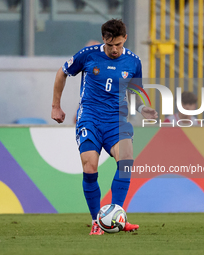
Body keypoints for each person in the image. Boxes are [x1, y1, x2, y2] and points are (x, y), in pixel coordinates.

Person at [51, 19, 157, 235]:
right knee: (90, 167)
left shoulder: (134, 62)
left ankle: (117, 216)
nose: (114, 49)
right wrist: (56, 107)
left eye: (118, 44)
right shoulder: (88, 54)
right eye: (110, 45)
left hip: (116, 121)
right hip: (90, 118)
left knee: (126, 163)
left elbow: (136, 93)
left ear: (125, 38)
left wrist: (143, 109)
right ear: (104, 40)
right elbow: (62, 72)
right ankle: (96, 222)